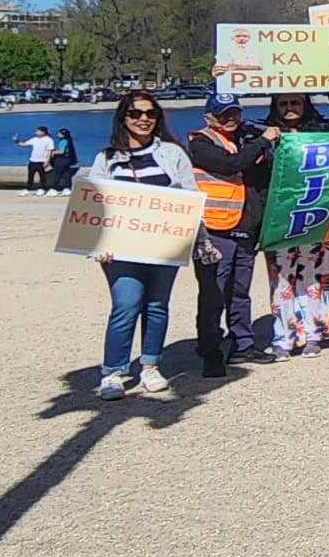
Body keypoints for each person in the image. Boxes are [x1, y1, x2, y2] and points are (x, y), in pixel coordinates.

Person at [85, 91, 201, 399]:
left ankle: (150, 365)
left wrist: (198, 240)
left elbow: (189, 198)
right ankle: (113, 371)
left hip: (165, 242)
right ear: (124, 118)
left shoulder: (173, 154)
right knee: (126, 304)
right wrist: (96, 244)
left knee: (157, 306)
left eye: (150, 113)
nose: (143, 118)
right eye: (136, 113)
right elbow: (94, 203)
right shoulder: (106, 158)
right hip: (120, 246)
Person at [257, 78, 329, 359]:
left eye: (295, 102)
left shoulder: (323, 131)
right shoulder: (263, 134)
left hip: (317, 215)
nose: (289, 108)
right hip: (280, 218)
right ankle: (285, 336)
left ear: (305, 104)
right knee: (281, 280)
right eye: (283, 103)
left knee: (318, 276)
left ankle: (315, 332)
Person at [187, 92, 277, 376]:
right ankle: (210, 348)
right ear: (208, 117)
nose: (230, 119)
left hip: (244, 227)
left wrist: (264, 136)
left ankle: (243, 343)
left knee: (240, 291)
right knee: (213, 292)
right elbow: (231, 164)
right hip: (213, 230)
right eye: (223, 114)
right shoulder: (200, 143)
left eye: (235, 113)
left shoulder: (246, 138)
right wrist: (264, 140)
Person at [16, 125, 53, 193]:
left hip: (41, 161)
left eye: (38, 131)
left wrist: (47, 161)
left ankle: (43, 188)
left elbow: (49, 151)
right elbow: (24, 144)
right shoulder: (34, 139)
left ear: (43, 132)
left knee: (42, 176)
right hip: (32, 161)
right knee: (30, 175)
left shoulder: (48, 140)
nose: (36, 132)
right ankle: (28, 188)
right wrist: (16, 141)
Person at [49, 127, 78, 192]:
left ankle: (54, 188)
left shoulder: (63, 141)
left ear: (63, 135)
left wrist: (53, 152)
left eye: (59, 133)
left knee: (57, 173)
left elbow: (61, 151)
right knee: (66, 173)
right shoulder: (69, 141)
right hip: (68, 159)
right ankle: (67, 187)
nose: (58, 134)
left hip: (62, 159)